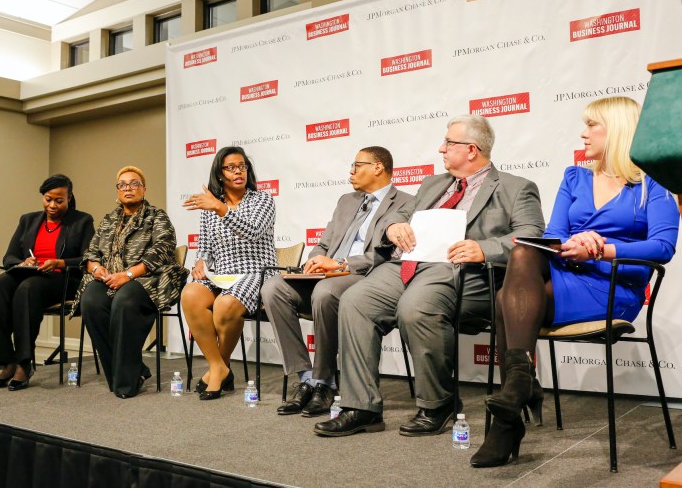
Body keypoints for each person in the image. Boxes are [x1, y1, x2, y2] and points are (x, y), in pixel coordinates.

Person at [471, 96, 680, 467]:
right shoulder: (575, 177)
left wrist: (602, 249)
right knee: (522, 253)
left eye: (591, 125)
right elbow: (553, 233)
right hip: (565, 272)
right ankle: (519, 385)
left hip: (613, 286)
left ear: (616, 130)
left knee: (506, 297)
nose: (583, 134)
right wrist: (572, 244)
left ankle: (510, 414)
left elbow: (663, 247)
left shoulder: (654, 184)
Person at [314, 114, 545, 437]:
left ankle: (438, 403)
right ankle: (362, 406)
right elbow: (398, 215)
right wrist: (394, 226)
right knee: (356, 300)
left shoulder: (515, 187)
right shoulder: (432, 185)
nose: (441, 148)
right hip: (407, 265)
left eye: (449, 143)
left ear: (471, 150)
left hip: (462, 273)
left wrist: (484, 248)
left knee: (417, 306)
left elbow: (532, 237)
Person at [262, 147, 412, 417]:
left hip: (362, 277)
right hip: (326, 274)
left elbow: (387, 257)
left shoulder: (405, 203)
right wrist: (315, 260)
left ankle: (325, 382)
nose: (351, 172)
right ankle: (305, 377)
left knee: (325, 291)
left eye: (357, 165)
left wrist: (341, 265)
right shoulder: (346, 200)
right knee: (273, 287)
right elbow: (323, 243)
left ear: (378, 167)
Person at [76, 166, 187, 399]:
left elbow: (163, 249)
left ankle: (126, 382)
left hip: (146, 280)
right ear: (117, 191)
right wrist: (96, 269)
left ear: (144, 189)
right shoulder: (108, 220)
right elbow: (90, 253)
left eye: (134, 183)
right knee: (90, 302)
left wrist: (127, 275)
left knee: (123, 302)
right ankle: (131, 371)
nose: (128, 188)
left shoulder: (156, 216)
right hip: (109, 278)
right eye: (122, 184)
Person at [0, 175, 94, 391]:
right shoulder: (28, 220)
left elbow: (88, 258)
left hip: (63, 279)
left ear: (69, 198)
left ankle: (24, 363)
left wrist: (59, 262)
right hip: (29, 274)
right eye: (48, 199)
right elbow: (9, 257)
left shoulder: (82, 221)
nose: (52, 205)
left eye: (59, 200)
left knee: (28, 289)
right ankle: (7, 361)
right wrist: (23, 261)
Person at [181, 146, 277, 400]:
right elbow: (205, 246)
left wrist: (220, 209)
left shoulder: (262, 200)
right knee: (190, 294)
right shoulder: (211, 206)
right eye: (231, 167)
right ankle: (220, 367)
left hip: (256, 272)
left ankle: (216, 371)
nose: (238, 172)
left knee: (224, 305)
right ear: (220, 173)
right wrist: (201, 262)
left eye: (242, 166)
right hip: (221, 274)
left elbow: (252, 231)